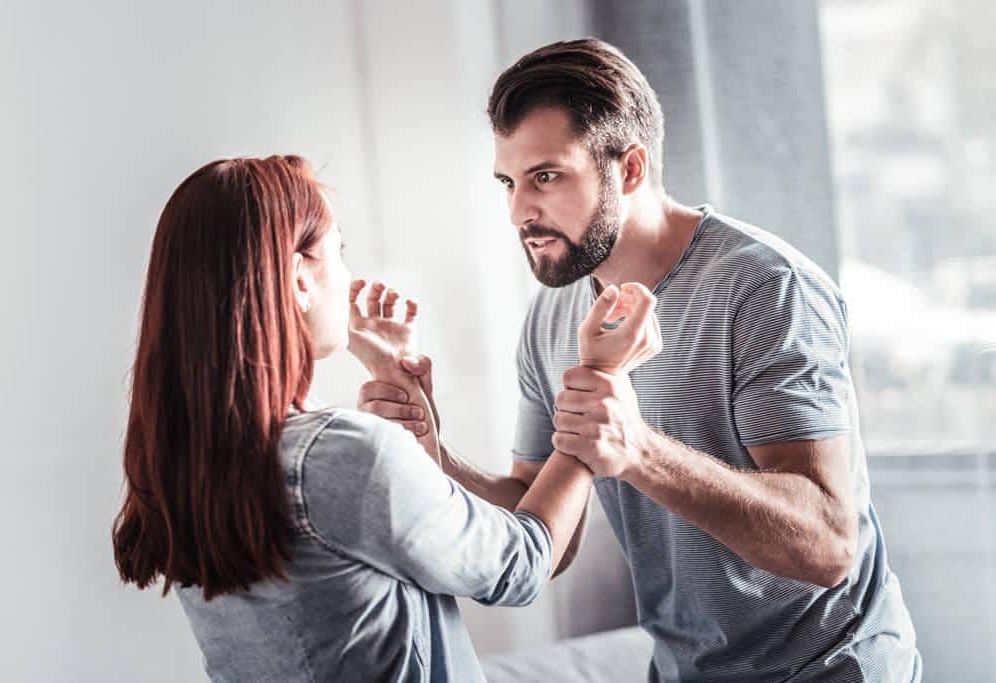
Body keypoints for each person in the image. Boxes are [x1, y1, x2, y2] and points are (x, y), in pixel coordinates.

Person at [359, 39, 922, 681]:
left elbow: (828, 544)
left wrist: (637, 450)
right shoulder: (551, 317)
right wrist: (436, 459)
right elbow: (545, 532)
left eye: (546, 176)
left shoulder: (767, 288)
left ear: (629, 169)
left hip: (829, 670)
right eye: (509, 183)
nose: (519, 212)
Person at [111, 154, 659, 682]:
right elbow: (520, 564)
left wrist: (395, 377)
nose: (349, 276)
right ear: (298, 278)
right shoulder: (336, 455)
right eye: (338, 250)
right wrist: (599, 386)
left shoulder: (190, 457)